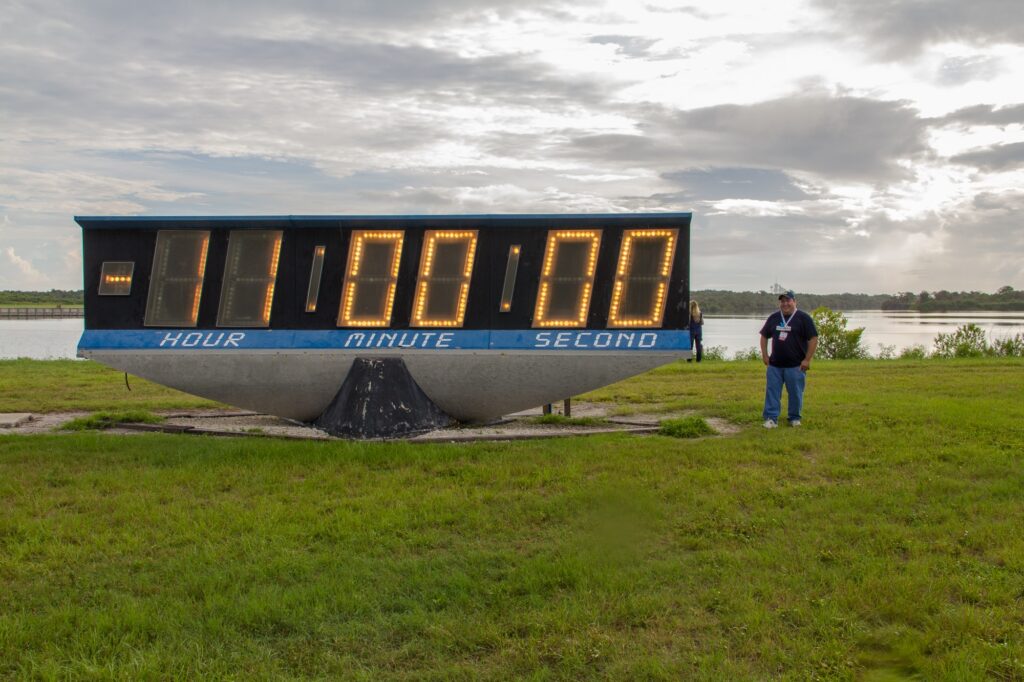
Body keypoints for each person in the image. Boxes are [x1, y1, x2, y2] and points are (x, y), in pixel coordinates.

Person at [759, 291, 817, 428]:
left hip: (796, 365)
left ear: (794, 301)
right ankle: (771, 419)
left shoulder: (803, 318)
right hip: (775, 365)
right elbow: (764, 336)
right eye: (782, 301)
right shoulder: (773, 318)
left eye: (788, 301)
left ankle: (794, 418)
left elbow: (813, 338)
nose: (785, 304)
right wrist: (765, 355)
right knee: (772, 392)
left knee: (796, 393)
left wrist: (807, 359)